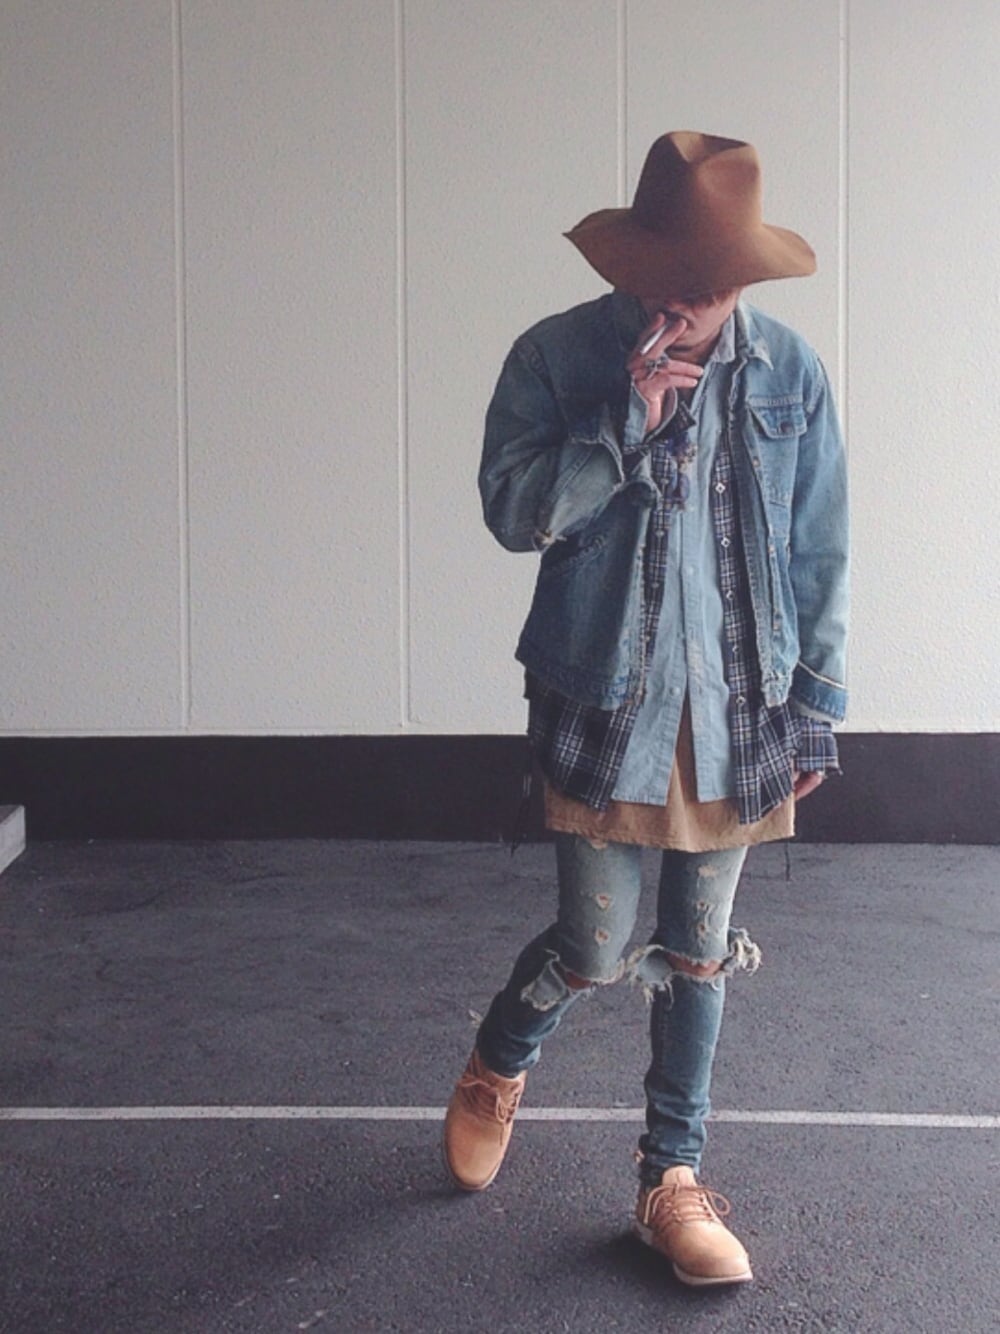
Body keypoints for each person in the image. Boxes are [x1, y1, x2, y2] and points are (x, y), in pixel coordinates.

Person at [443, 131, 848, 1288]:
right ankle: (498, 1058)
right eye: (667, 279)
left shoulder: (790, 373)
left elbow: (820, 546)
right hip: (603, 695)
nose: (685, 303)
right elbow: (513, 513)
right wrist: (620, 422)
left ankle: (672, 1177)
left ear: (746, 277)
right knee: (593, 944)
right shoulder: (557, 356)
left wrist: (815, 707)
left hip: (741, 703)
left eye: (709, 286)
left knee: (700, 950)